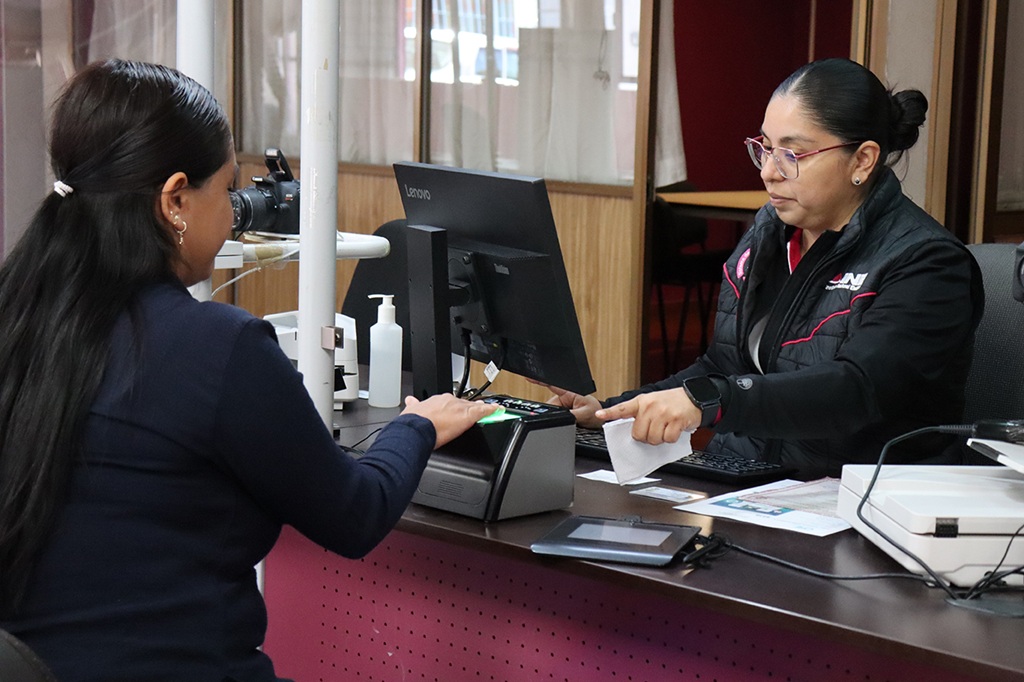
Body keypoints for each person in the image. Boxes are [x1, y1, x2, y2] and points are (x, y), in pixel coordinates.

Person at [0, 59, 496, 681]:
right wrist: (416, 426)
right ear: (176, 197)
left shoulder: (17, 318)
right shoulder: (216, 346)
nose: (237, 212)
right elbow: (355, 513)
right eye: (227, 189)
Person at [550, 58, 983, 480]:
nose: (770, 173)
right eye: (765, 149)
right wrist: (611, 411)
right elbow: (724, 363)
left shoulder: (927, 263)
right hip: (747, 480)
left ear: (863, 160)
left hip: (856, 496)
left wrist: (714, 401)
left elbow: (857, 390)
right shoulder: (771, 232)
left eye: (793, 153)